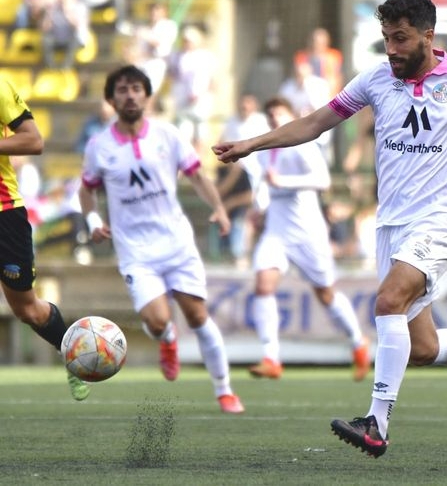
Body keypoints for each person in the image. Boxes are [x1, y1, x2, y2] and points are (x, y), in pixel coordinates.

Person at [214, 0, 447, 458]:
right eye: (386, 39)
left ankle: (376, 424)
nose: (392, 49)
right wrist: (252, 144)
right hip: (391, 227)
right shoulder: (377, 79)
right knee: (422, 348)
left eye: (400, 38)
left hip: (438, 221)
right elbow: (316, 122)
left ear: (428, 34)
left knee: (388, 301)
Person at [78, 65, 244, 414]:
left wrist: (219, 208)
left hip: (176, 242)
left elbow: (197, 175)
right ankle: (167, 339)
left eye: (136, 88)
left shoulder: (168, 135)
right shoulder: (99, 146)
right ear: (111, 99)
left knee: (197, 316)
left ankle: (225, 391)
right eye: (122, 89)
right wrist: (93, 219)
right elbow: (87, 190)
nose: (130, 95)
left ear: (147, 95)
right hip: (135, 249)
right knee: (156, 321)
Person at [246, 96, 370, 382]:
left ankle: (357, 341)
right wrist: (258, 209)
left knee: (325, 294)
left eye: (280, 114)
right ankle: (271, 357)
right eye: (272, 116)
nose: (276, 120)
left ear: (291, 116)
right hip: (276, 229)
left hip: (307, 231)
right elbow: (263, 186)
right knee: (263, 284)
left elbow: (322, 181)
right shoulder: (266, 150)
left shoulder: (302, 145)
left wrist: (285, 182)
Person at [0, 75, 90, 401]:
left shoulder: (0, 86)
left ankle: (70, 351)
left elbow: (33, 141)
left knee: (28, 310)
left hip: (4, 213)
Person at [212, 93, 266, 268]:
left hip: (259, 173)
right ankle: (239, 255)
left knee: (254, 214)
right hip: (238, 172)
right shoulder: (231, 122)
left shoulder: (261, 122)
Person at [293, 27, 344, 95]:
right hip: (307, 90)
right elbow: (297, 76)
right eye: (315, 42)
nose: (318, 45)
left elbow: (338, 77)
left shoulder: (334, 56)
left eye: (321, 43)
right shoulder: (302, 56)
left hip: (327, 90)